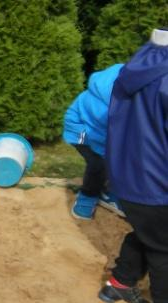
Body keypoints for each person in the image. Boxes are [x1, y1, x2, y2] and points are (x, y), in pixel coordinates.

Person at [101, 28, 168, 303]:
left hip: (129, 176)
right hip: (157, 182)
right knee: (164, 247)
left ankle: (119, 284)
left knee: (148, 233)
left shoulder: (141, 61)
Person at [63, 63, 125, 220]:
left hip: (100, 132)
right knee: (99, 163)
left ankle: (108, 192)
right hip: (81, 130)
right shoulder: (108, 107)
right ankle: (86, 199)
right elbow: (99, 140)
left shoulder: (126, 77)